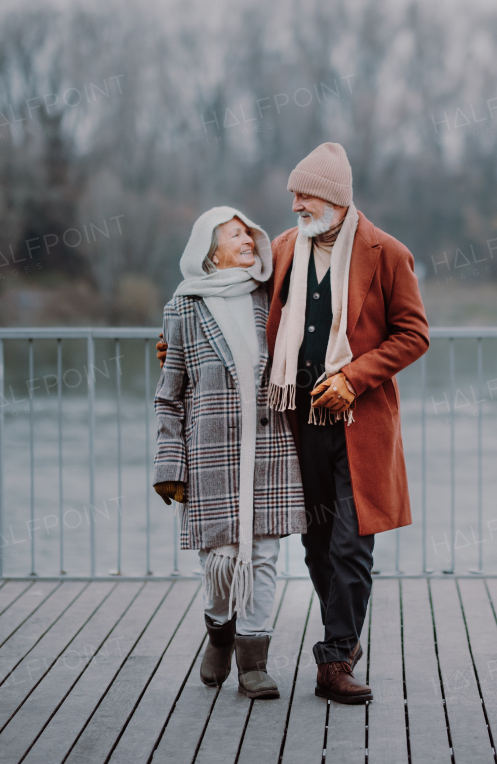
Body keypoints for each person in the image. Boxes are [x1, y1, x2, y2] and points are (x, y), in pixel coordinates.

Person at [266, 142, 429, 704]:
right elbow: (241, 307)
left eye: (303, 194)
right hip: (298, 423)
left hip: (361, 426)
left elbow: (414, 335)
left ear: (334, 197)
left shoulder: (387, 254)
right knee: (315, 543)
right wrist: (180, 342)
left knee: (352, 544)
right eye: (292, 195)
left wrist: (354, 378)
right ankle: (343, 640)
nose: (294, 206)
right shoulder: (284, 249)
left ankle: (335, 657)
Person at [152, 207, 305, 700]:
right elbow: (169, 393)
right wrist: (168, 464)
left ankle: (253, 661)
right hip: (211, 454)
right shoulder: (183, 308)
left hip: (269, 448)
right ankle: (219, 632)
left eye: (248, 233)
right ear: (209, 251)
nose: (246, 239)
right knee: (217, 563)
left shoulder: (268, 298)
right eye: (233, 234)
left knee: (263, 556)